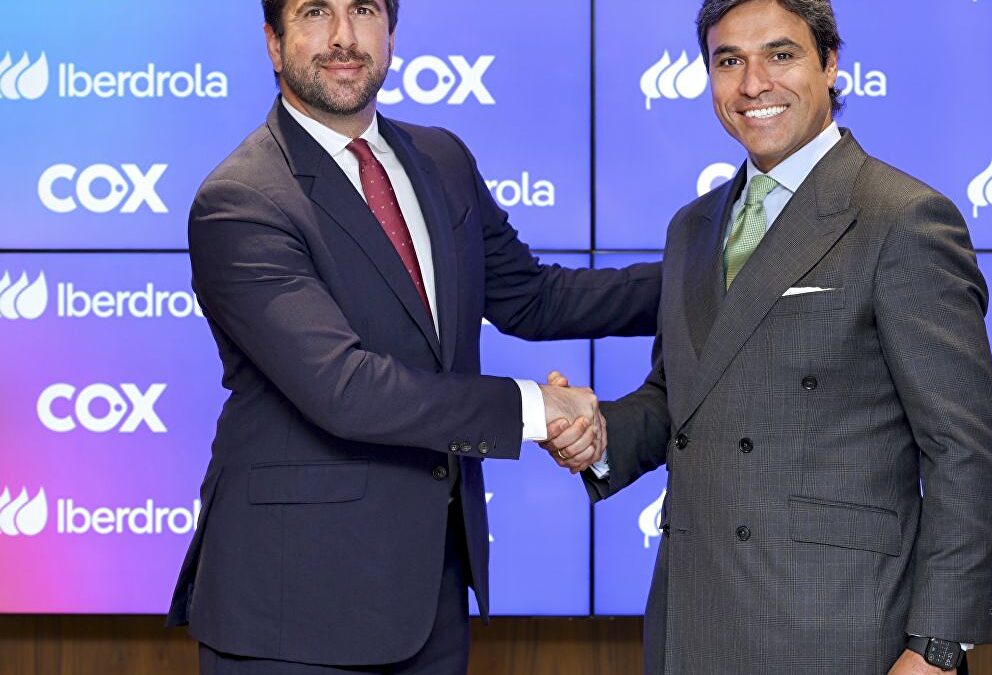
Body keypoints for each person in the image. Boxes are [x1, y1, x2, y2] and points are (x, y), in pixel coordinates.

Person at [165, 0, 657, 673]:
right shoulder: (242, 198)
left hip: (430, 598)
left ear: (391, 32)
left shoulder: (440, 158)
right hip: (293, 609)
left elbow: (532, 297)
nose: (344, 37)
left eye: (364, 9)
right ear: (274, 43)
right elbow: (345, 389)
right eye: (315, 12)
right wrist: (537, 409)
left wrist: (713, 274)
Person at [542, 0, 992, 673]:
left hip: (838, 628)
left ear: (830, 63)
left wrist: (937, 647)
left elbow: (966, 449)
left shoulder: (901, 218)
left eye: (780, 55)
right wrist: (596, 433)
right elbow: (682, 396)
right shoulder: (692, 227)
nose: (753, 83)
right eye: (729, 61)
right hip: (693, 619)